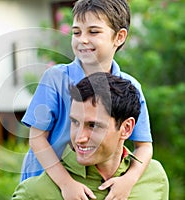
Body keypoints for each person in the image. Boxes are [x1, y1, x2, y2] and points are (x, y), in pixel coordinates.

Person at [20, 0, 153, 199]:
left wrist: (129, 179)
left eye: (93, 32)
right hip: (48, 186)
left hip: (93, 186)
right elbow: (37, 138)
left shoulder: (129, 86)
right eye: (76, 32)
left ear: (119, 37)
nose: (82, 39)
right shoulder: (56, 78)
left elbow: (144, 145)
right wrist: (66, 184)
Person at [13, 72, 169, 200]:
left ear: (126, 128)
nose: (79, 138)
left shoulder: (154, 177)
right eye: (75, 122)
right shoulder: (34, 192)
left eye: (93, 125)